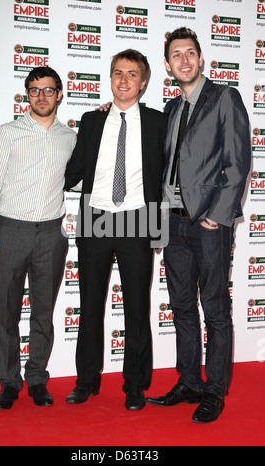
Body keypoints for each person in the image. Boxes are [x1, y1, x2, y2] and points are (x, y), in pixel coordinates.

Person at [146, 28, 251, 423]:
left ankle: (215, 390)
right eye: (176, 55)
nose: (184, 60)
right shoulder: (172, 109)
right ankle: (189, 382)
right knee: (182, 307)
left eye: (191, 53)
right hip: (173, 225)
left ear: (201, 58)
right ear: (168, 64)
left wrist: (217, 216)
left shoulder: (225, 98)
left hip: (208, 224)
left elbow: (238, 163)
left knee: (215, 308)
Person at [64, 49, 167, 410]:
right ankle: (86, 381)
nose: (124, 80)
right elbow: (72, 171)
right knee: (90, 303)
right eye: (118, 73)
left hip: (138, 218)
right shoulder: (91, 121)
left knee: (137, 307)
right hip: (95, 217)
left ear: (143, 82)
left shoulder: (158, 122)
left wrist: (161, 226)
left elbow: (166, 176)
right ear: (110, 79)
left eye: (132, 74)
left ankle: (135, 384)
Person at [0, 66, 76, 409]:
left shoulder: (70, 138)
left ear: (59, 94)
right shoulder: (7, 133)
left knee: (43, 312)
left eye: (48, 90)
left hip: (51, 235)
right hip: (10, 232)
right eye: (34, 91)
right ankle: (8, 382)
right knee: (7, 313)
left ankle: (36, 379)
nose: (41, 96)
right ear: (26, 95)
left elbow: (85, 173)